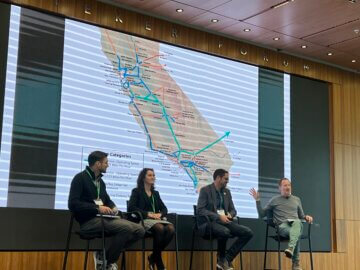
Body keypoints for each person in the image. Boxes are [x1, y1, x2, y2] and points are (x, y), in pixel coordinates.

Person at [68, 151, 145, 270]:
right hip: (88, 222)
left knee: (140, 230)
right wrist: (97, 208)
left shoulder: (100, 182)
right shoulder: (80, 178)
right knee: (126, 228)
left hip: (104, 219)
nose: (107, 165)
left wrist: (113, 207)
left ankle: (105, 257)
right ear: (98, 164)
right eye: (106, 162)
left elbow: (107, 200)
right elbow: (73, 204)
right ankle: (108, 263)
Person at [249, 178, 314, 270]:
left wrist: (307, 217)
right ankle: (296, 264)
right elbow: (262, 215)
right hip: (283, 226)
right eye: (285, 185)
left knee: (297, 224)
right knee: (297, 233)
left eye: (289, 185)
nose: (288, 187)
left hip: (296, 224)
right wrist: (258, 200)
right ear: (279, 188)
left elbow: (301, 216)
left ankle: (290, 249)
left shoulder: (297, 199)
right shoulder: (274, 200)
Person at [197, 168, 253, 270]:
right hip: (209, 223)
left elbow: (233, 210)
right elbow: (200, 210)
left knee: (248, 232)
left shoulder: (227, 192)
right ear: (218, 178)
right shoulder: (205, 190)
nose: (228, 181)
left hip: (225, 222)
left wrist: (230, 215)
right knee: (225, 231)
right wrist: (219, 216)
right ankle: (222, 259)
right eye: (226, 179)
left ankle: (226, 259)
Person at [128, 168, 175, 270]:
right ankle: (159, 263)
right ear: (143, 178)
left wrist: (160, 214)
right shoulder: (136, 191)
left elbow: (164, 208)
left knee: (171, 229)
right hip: (143, 220)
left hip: (156, 220)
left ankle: (154, 256)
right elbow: (131, 207)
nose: (153, 177)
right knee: (160, 228)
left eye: (153, 175)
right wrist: (148, 214)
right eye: (150, 175)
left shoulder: (155, 193)